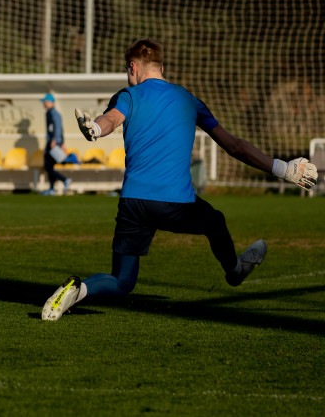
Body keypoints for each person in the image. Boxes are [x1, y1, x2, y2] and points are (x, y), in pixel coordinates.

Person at [41, 38, 317, 321]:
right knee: (215, 221)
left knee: (122, 281)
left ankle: (79, 288)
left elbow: (111, 119)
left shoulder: (129, 96)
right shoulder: (189, 100)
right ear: (162, 67)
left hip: (134, 203)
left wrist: (96, 128)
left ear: (133, 68)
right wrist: (282, 168)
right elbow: (233, 145)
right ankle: (235, 272)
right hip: (176, 204)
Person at [40, 93, 72, 195]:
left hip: (53, 143)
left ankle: (64, 180)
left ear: (51, 102)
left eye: (45, 102)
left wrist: (55, 141)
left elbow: (57, 128)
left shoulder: (53, 113)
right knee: (49, 166)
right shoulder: (49, 112)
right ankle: (52, 188)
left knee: (47, 166)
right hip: (52, 142)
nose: (44, 103)